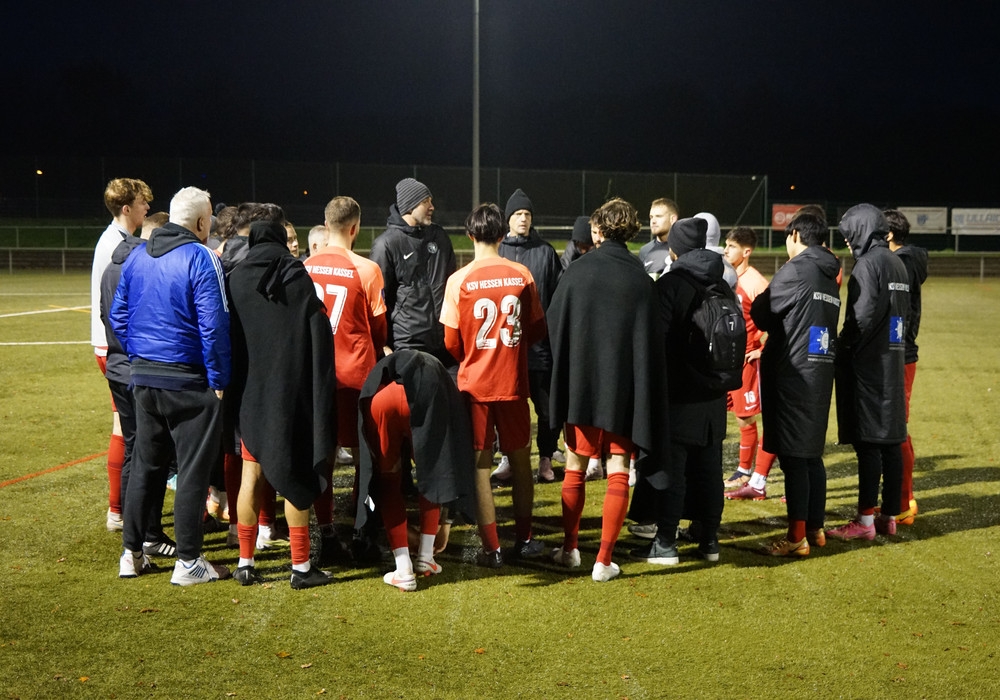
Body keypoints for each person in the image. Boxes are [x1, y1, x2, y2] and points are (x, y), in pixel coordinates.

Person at [111, 186, 231, 585]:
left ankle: (131, 554)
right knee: (193, 471)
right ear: (201, 222)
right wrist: (218, 380)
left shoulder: (137, 255)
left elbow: (118, 315)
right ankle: (189, 561)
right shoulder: (201, 256)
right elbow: (214, 324)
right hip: (187, 380)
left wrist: (141, 356)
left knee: (146, 466)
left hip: (144, 379)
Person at [548, 198, 668, 582]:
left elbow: (553, 325)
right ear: (631, 231)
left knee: (575, 466)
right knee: (618, 469)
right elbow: (652, 339)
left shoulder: (577, 271)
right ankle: (603, 560)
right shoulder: (640, 278)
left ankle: (570, 549)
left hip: (581, 387)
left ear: (597, 229)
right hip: (623, 390)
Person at [227, 214, 337, 589]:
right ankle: (301, 567)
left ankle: (245, 562)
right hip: (290, 393)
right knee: (294, 475)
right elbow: (316, 332)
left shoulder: (236, 279)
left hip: (250, 395)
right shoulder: (296, 275)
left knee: (251, 476)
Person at [440, 203, 548, 567]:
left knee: (480, 467)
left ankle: (492, 548)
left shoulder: (458, 280)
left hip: (475, 386)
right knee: (520, 462)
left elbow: (450, 341)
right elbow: (536, 329)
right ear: (502, 235)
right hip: (513, 382)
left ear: (470, 235)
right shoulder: (521, 274)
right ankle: (525, 538)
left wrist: (476, 355)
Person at [632, 217, 732, 566]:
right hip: (714, 395)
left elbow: (654, 341)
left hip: (679, 394)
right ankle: (710, 541)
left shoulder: (671, 285)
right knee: (709, 471)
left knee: (671, 472)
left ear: (673, 249)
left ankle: (665, 544)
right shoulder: (722, 283)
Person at [750, 211, 842, 556]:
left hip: (793, 371)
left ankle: (796, 538)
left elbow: (762, 312)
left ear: (795, 236)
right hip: (820, 367)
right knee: (811, 455)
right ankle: (815, 529)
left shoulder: (798, 268)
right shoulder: (830, 271)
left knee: (793, 457)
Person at [304, 196, 387, 564]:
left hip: (318, 377)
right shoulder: (367, 270)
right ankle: (363, 534)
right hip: (357, 377)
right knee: (365, 458)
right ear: (356, 228)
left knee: (321, 457)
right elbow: (379, 329)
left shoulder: (306, 266)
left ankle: (325, 534)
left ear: (326, 225)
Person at [355, 350, 476, 591]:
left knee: (388, 480)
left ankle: (403, 569)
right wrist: (447, 522)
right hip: (425, 396)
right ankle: (425, 557)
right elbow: (448, 467)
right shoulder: (440, 373)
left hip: (380, 399)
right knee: (431, 472)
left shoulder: (393, 363)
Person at [828, 204, 910, 540]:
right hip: (893, 360)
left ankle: (864, 522)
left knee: (869, 444)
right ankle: (889, 516)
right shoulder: (897, 262)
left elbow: (859, 319)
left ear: (862, 230)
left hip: (868, 365)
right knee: (891, 441)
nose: (847, 241)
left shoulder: (867, 265)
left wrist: (842, 346)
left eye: (850, 234)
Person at [100, 212, 176, 561]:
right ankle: (148, 534)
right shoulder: (142, 266)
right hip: (138, 369)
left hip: (118, 366)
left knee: (135, 451)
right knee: (151, 456)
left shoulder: (113, 266)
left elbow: (109, 316)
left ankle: (134, 531)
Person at [91, 177, 152, 531]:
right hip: (115, 348)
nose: (147, 207)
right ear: (127, 208)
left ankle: (120, 509)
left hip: (108, 345)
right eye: (142, 202)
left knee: (125, 430)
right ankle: (119, 510)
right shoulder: (118, 245)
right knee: (128, 432)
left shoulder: (112, 239)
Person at [493, 188, 562, 483]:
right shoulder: (498, 251)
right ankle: (507, 458)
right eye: (518, 214)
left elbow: (557, 296)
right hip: (507, 349)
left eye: (527, 214)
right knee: (508, 408)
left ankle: (546, 458)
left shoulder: (546, 252)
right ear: (508, 218)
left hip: (540, 349)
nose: (523, 218)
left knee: (546, 410)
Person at [370, 178, 456, 367]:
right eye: (425, 202)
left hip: (444, 343)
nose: (432, 207)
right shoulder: (386, 244)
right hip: (408, 344)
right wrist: (383, 344)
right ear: (409, 206)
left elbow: (452, 285)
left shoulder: (439, 236)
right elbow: (378, 302)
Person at [721, 226, 778, 499]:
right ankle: (744, 470)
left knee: (745, 417)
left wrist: (762, 350)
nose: (725, 250)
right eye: (726, 245)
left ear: (746, 251)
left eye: (731, 246)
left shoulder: (756, 282)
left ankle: (745, 472)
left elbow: (778, 320)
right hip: (726, 359)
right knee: (733, 415)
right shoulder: (727, 277)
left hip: (746, 359)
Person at [885, 208, 928, 525]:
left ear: (887, 234)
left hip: (899, 354)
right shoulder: (905, 261)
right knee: (894, 427)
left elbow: (900, 314)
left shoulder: (901, 263)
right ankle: (901, 499)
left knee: (896, 428)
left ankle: (902, 501)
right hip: (900, 353)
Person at [638, 198, 679, 280]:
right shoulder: (644, 251)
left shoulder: (683, 248)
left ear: (673, 219)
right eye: (651, 217)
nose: (653, 221)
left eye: (658, 216)